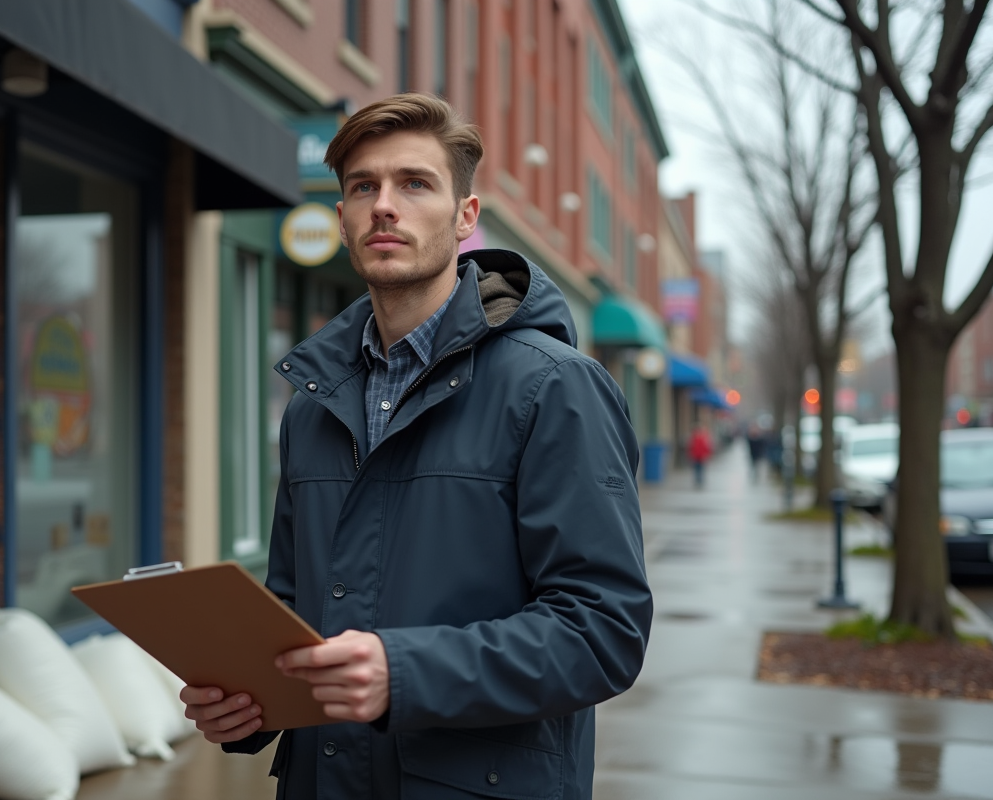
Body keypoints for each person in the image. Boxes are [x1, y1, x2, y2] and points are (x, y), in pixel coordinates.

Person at [181, 94, 651, 799]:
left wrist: (403, 674)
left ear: (465, 217)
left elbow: (601, 632)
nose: (384, 206)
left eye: (415, 183)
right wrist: (247, 707)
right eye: (362, 186)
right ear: (341, 216)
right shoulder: (313, 405)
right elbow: (296, 614)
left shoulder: (554, 389)